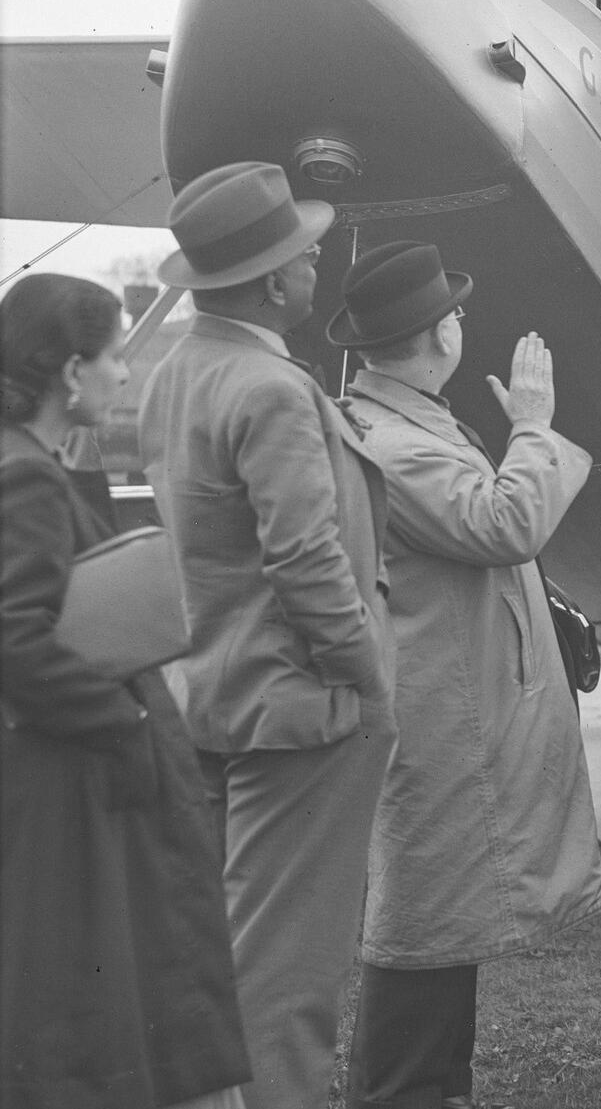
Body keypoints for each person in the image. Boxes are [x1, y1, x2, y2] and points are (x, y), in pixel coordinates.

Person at [139, 162, 396, 1109]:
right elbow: (306, 561)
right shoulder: (270, 388)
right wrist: (366, 677)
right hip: (304, 714)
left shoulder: (173, 376)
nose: (315, 259)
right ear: (267, 282)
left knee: (221, 957)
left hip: (214, 699)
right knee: (288, 977)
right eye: (300, 252)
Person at [328, 242, 601, 1109]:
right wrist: (529, 424)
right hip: (445, 739)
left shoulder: (400, 421)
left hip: (454, 725)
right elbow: (507, 522)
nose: (460, 321)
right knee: (421, 943)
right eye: (450, 312)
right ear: (430, 334)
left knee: (443, 940)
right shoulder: (399, 444)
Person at [2, 273, 250, 1109]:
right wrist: (127, 716)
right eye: (112, 358)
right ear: (71, 372)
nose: (122, 376)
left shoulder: (28, 463)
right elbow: (17, 639)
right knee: (100, 995)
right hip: (71, 781)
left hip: (58, 770)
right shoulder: (25, 477)